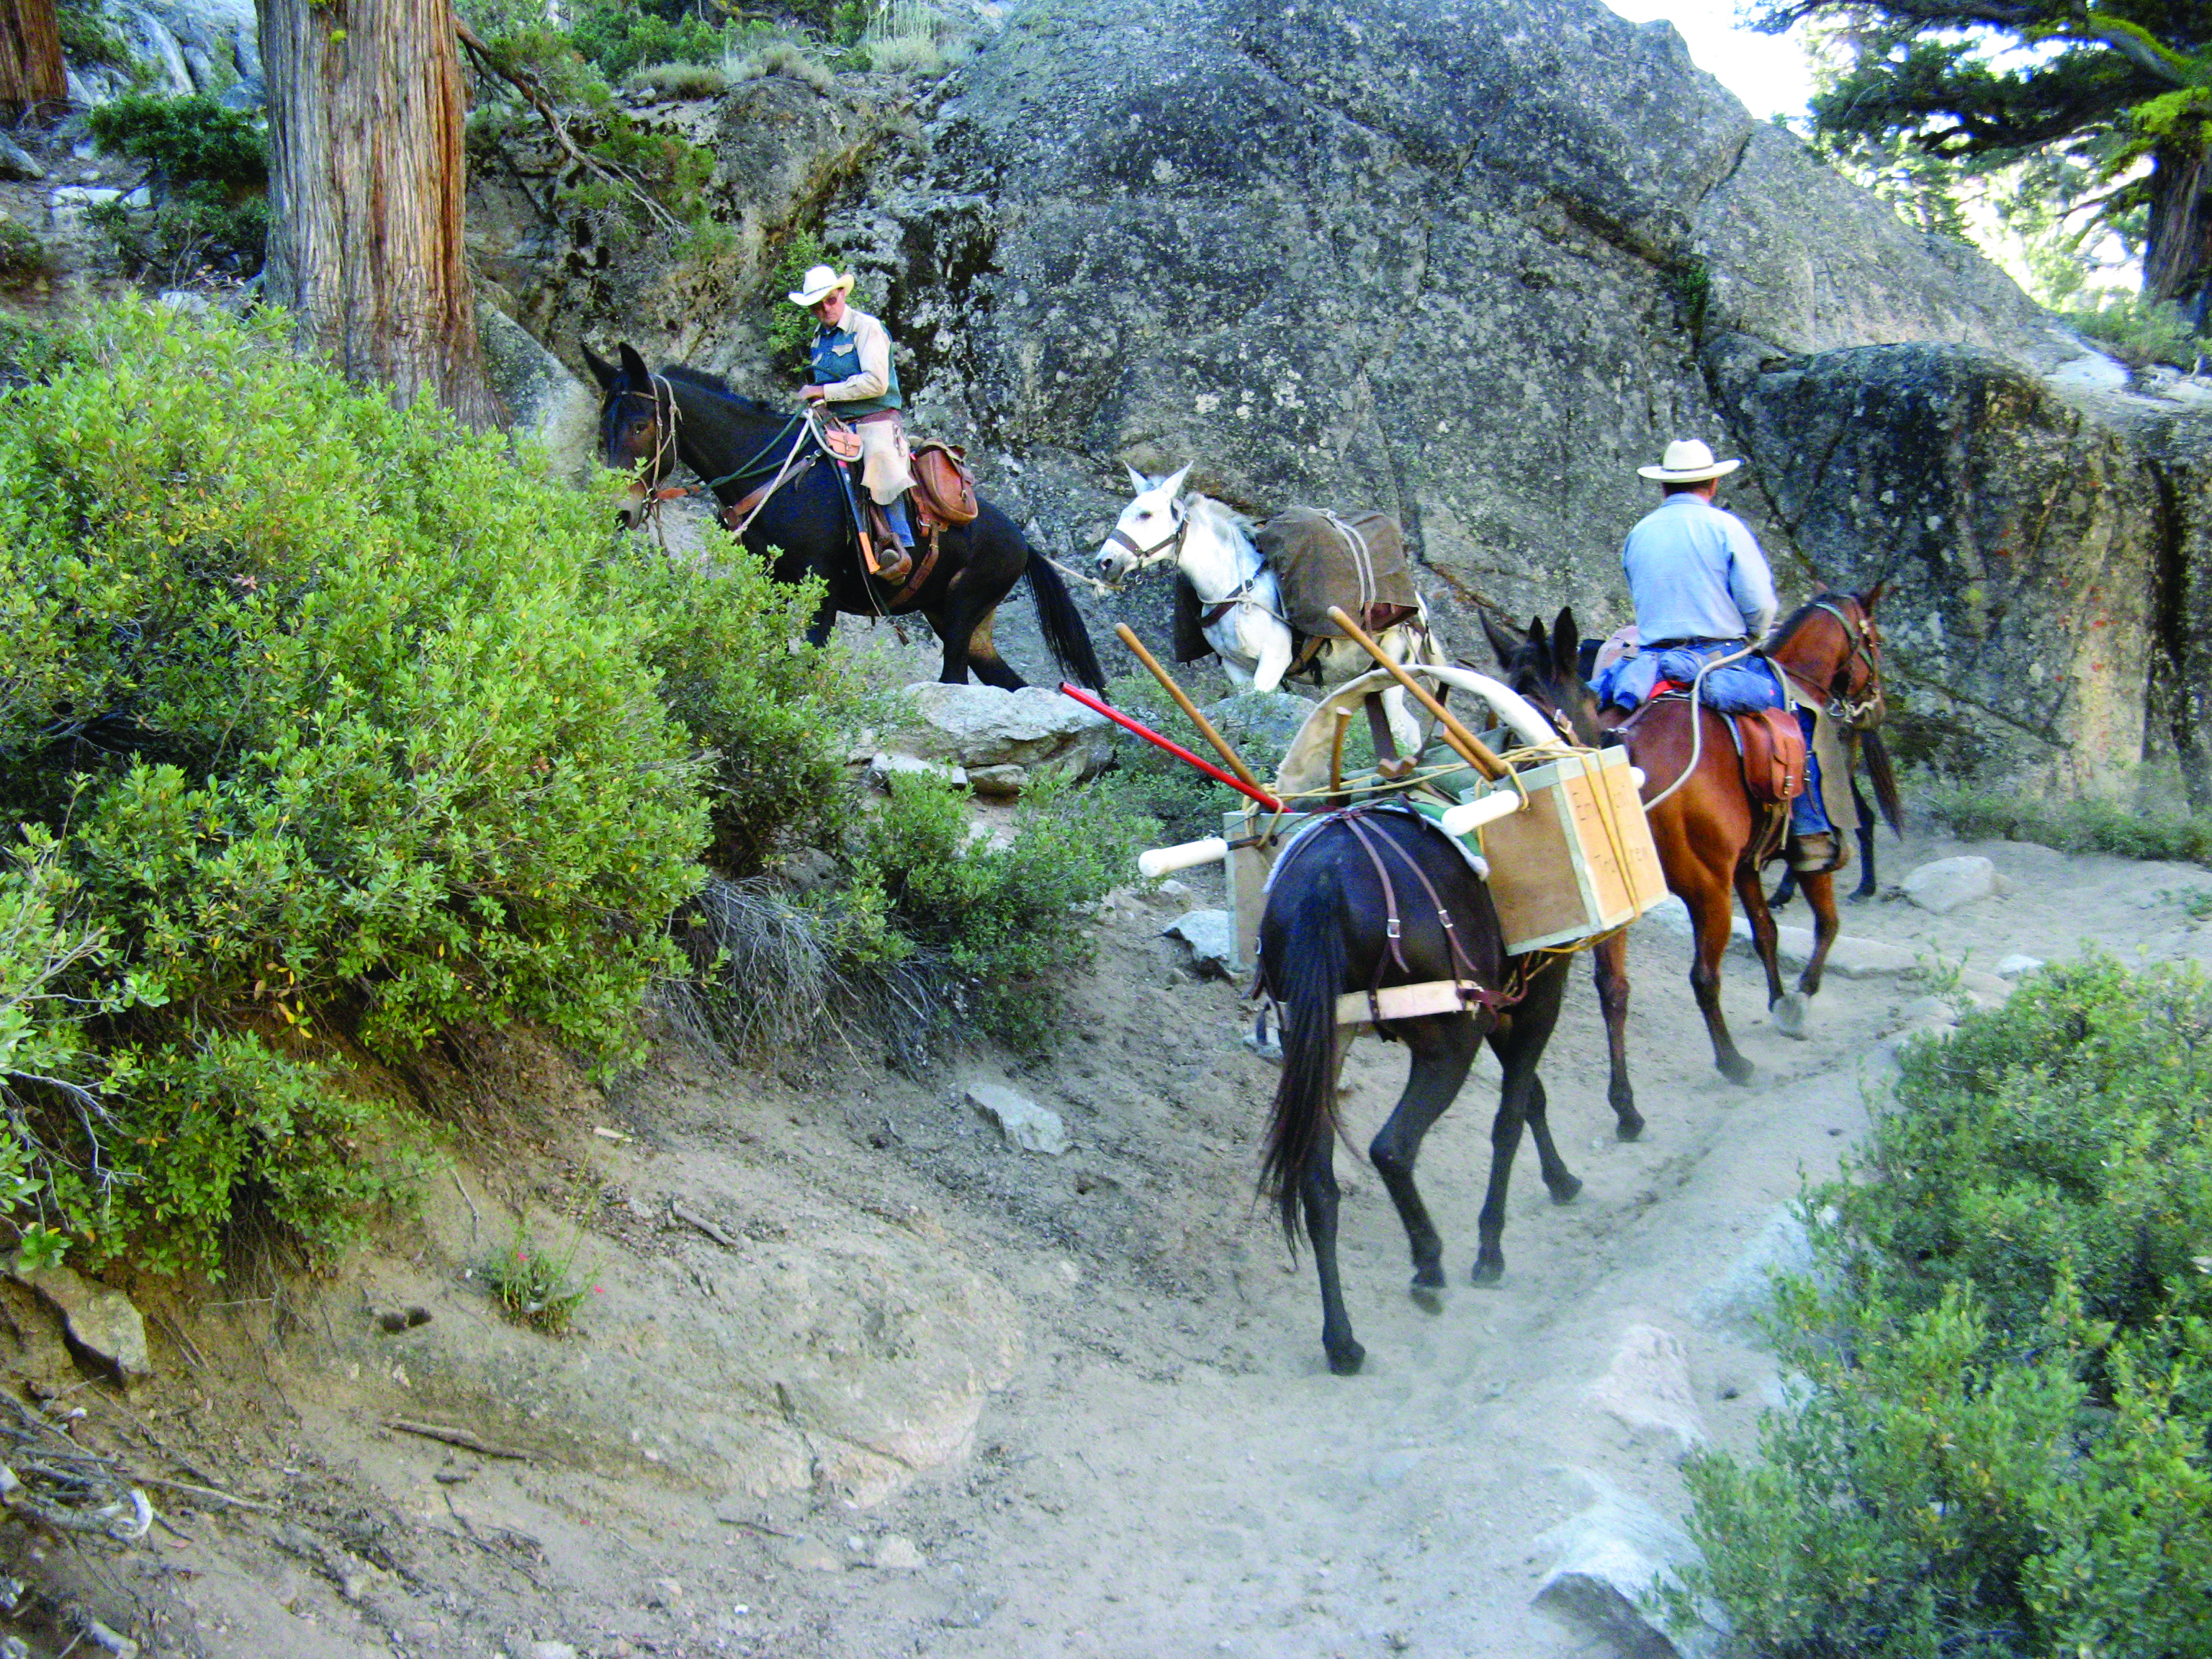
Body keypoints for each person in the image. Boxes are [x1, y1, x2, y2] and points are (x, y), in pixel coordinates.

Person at [1608, 438, 1835, 868]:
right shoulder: (1726, 527)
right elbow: (1759, 602)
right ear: (1712, 483)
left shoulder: (1639, 533)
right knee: (1795, 715)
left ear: (1664, 488)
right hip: (1720, 653)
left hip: (1654, 658)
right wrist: (1753, 634)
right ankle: (1809, 831)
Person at [788, 263, 917, 583]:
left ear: (842, 294)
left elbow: (877, 383)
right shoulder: (819, 339)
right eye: (817, 306)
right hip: (835, 424)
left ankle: (899, 546)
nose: (825, 309)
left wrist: (823, 391)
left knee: (880, 460)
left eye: (830, 300)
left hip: (875, 420)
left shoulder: (866, 328)